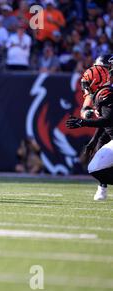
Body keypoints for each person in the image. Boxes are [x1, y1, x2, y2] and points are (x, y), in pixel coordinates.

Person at [66, 58, 113, 200]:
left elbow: (108, 119)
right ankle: (102, 187)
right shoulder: (102, 91)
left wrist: (83, 122)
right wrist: (88, 115)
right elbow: (102, 119)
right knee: (98, 157)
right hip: (108, 126)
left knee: (96, 166)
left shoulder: (105, 92)